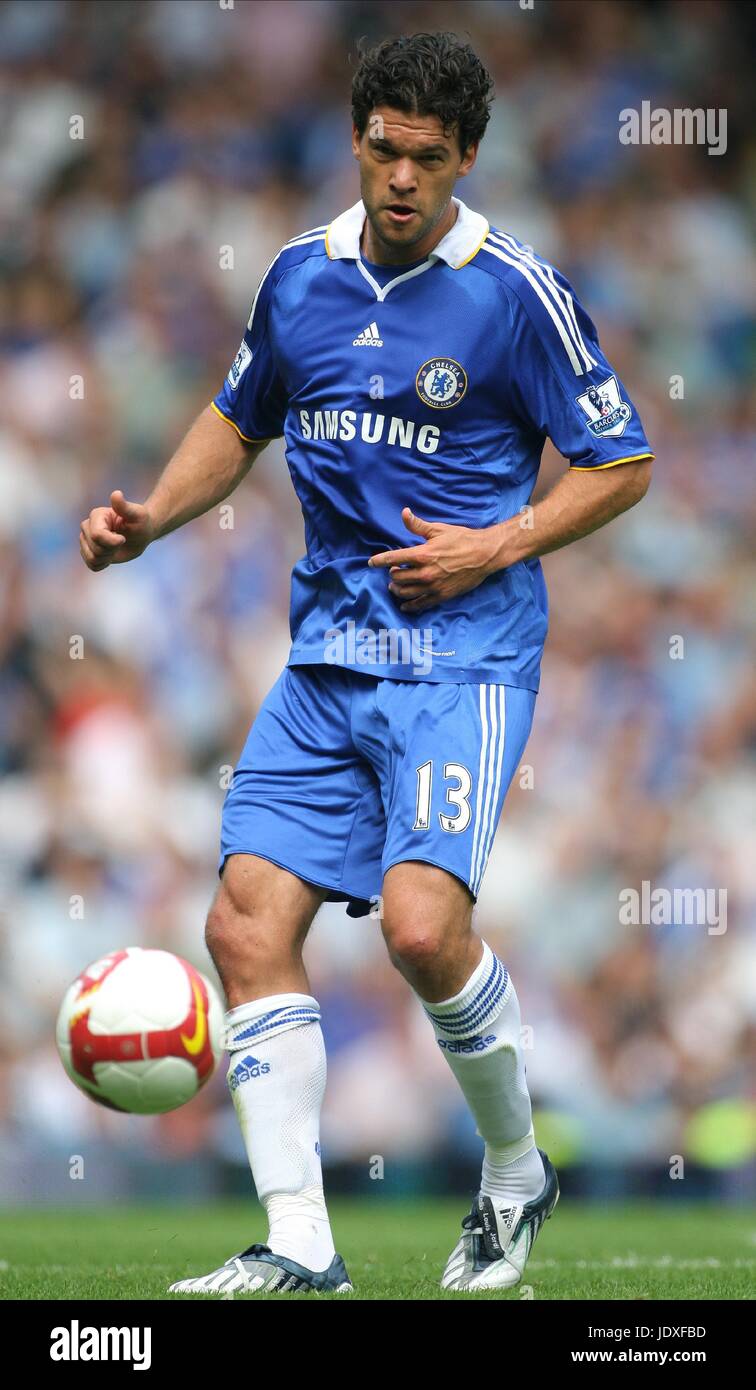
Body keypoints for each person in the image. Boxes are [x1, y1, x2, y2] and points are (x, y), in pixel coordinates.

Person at [80, 32, 653, 1295]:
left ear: (467, 160)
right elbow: (239, 421)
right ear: (357, 138)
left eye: (428, 159)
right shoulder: (299, 278)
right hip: (328, 653)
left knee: (419, 930)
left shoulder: (515, 291)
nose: (401, 177)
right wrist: (148, 522)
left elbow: (623, 460)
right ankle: (300, 1247)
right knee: (244, 921)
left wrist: (494, 543)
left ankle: (514, 1169)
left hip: (464, 655)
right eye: (383, 149)